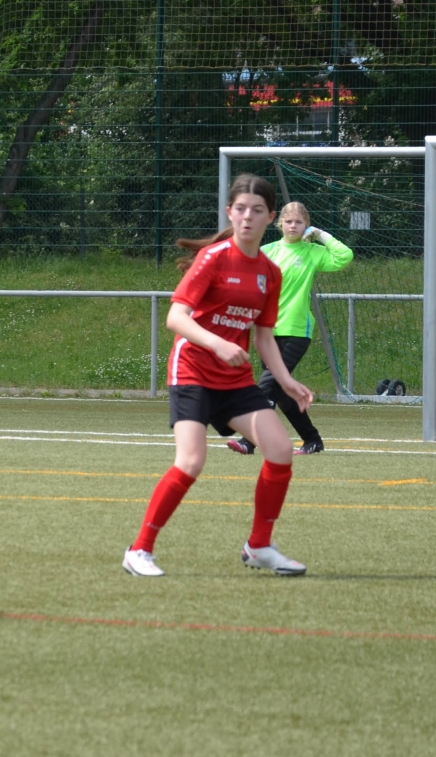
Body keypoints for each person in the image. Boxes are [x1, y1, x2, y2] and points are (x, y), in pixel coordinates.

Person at [123, 173, 315, 579]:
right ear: (230, 212)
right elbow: (177, 317)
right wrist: (217, 343)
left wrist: (285, 380)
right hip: (192, 369)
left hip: (234, 378)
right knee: (191, 461)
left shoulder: (270, 272)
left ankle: (259, 546)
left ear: (270, 218)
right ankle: (139, 550)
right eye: (240, 209)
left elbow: (264, 336)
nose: (247, 217)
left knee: (280, 450)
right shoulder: (214, 258)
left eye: (257, 210)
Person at [219, 199, 353, 456]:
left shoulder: (312, 252)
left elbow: (344, 256)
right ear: (280, 224)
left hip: (296, 330)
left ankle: (249, 440)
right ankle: (312, 440)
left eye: (299, 222)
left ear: (307, 225)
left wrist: (321, 235)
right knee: (280, 392)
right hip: (267, 332)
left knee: (266, 386)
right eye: (289, 221)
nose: (293, 226)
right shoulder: (267, 251)